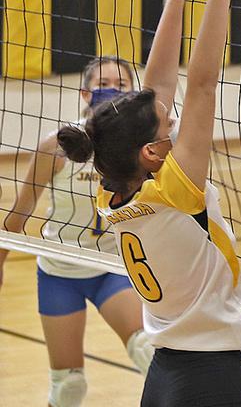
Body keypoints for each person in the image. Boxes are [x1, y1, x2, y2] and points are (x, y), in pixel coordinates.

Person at [57, 0, 241, 407]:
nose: (172, 116)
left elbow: (161, 89)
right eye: (167, 122)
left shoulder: (113, 190)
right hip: (209, 376)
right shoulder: (176, 190)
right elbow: (202, 83)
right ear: (151, 152)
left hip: (168, 371)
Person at [0, 56, 154, 407]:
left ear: (133, 94)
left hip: (113, 270)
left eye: (121, 84)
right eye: (104, 83)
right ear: (85, 93)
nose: (112, 89)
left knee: (151, 353)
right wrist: (0, 261)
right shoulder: (56, 146)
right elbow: (20, 211)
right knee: (68, 387)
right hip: (60, 272)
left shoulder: (142, 149)